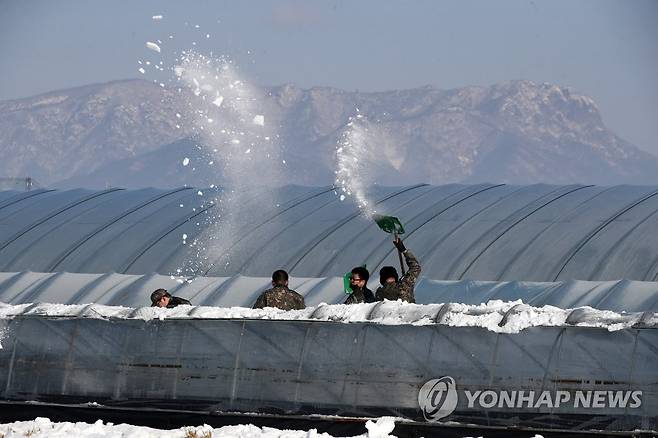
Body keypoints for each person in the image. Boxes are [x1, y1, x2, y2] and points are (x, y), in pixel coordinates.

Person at [375, 236, 421, 303]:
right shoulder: (404, 285)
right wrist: (404, 251)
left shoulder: (379, 293)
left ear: (382, 279)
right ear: (395, 277)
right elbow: (416, 268)